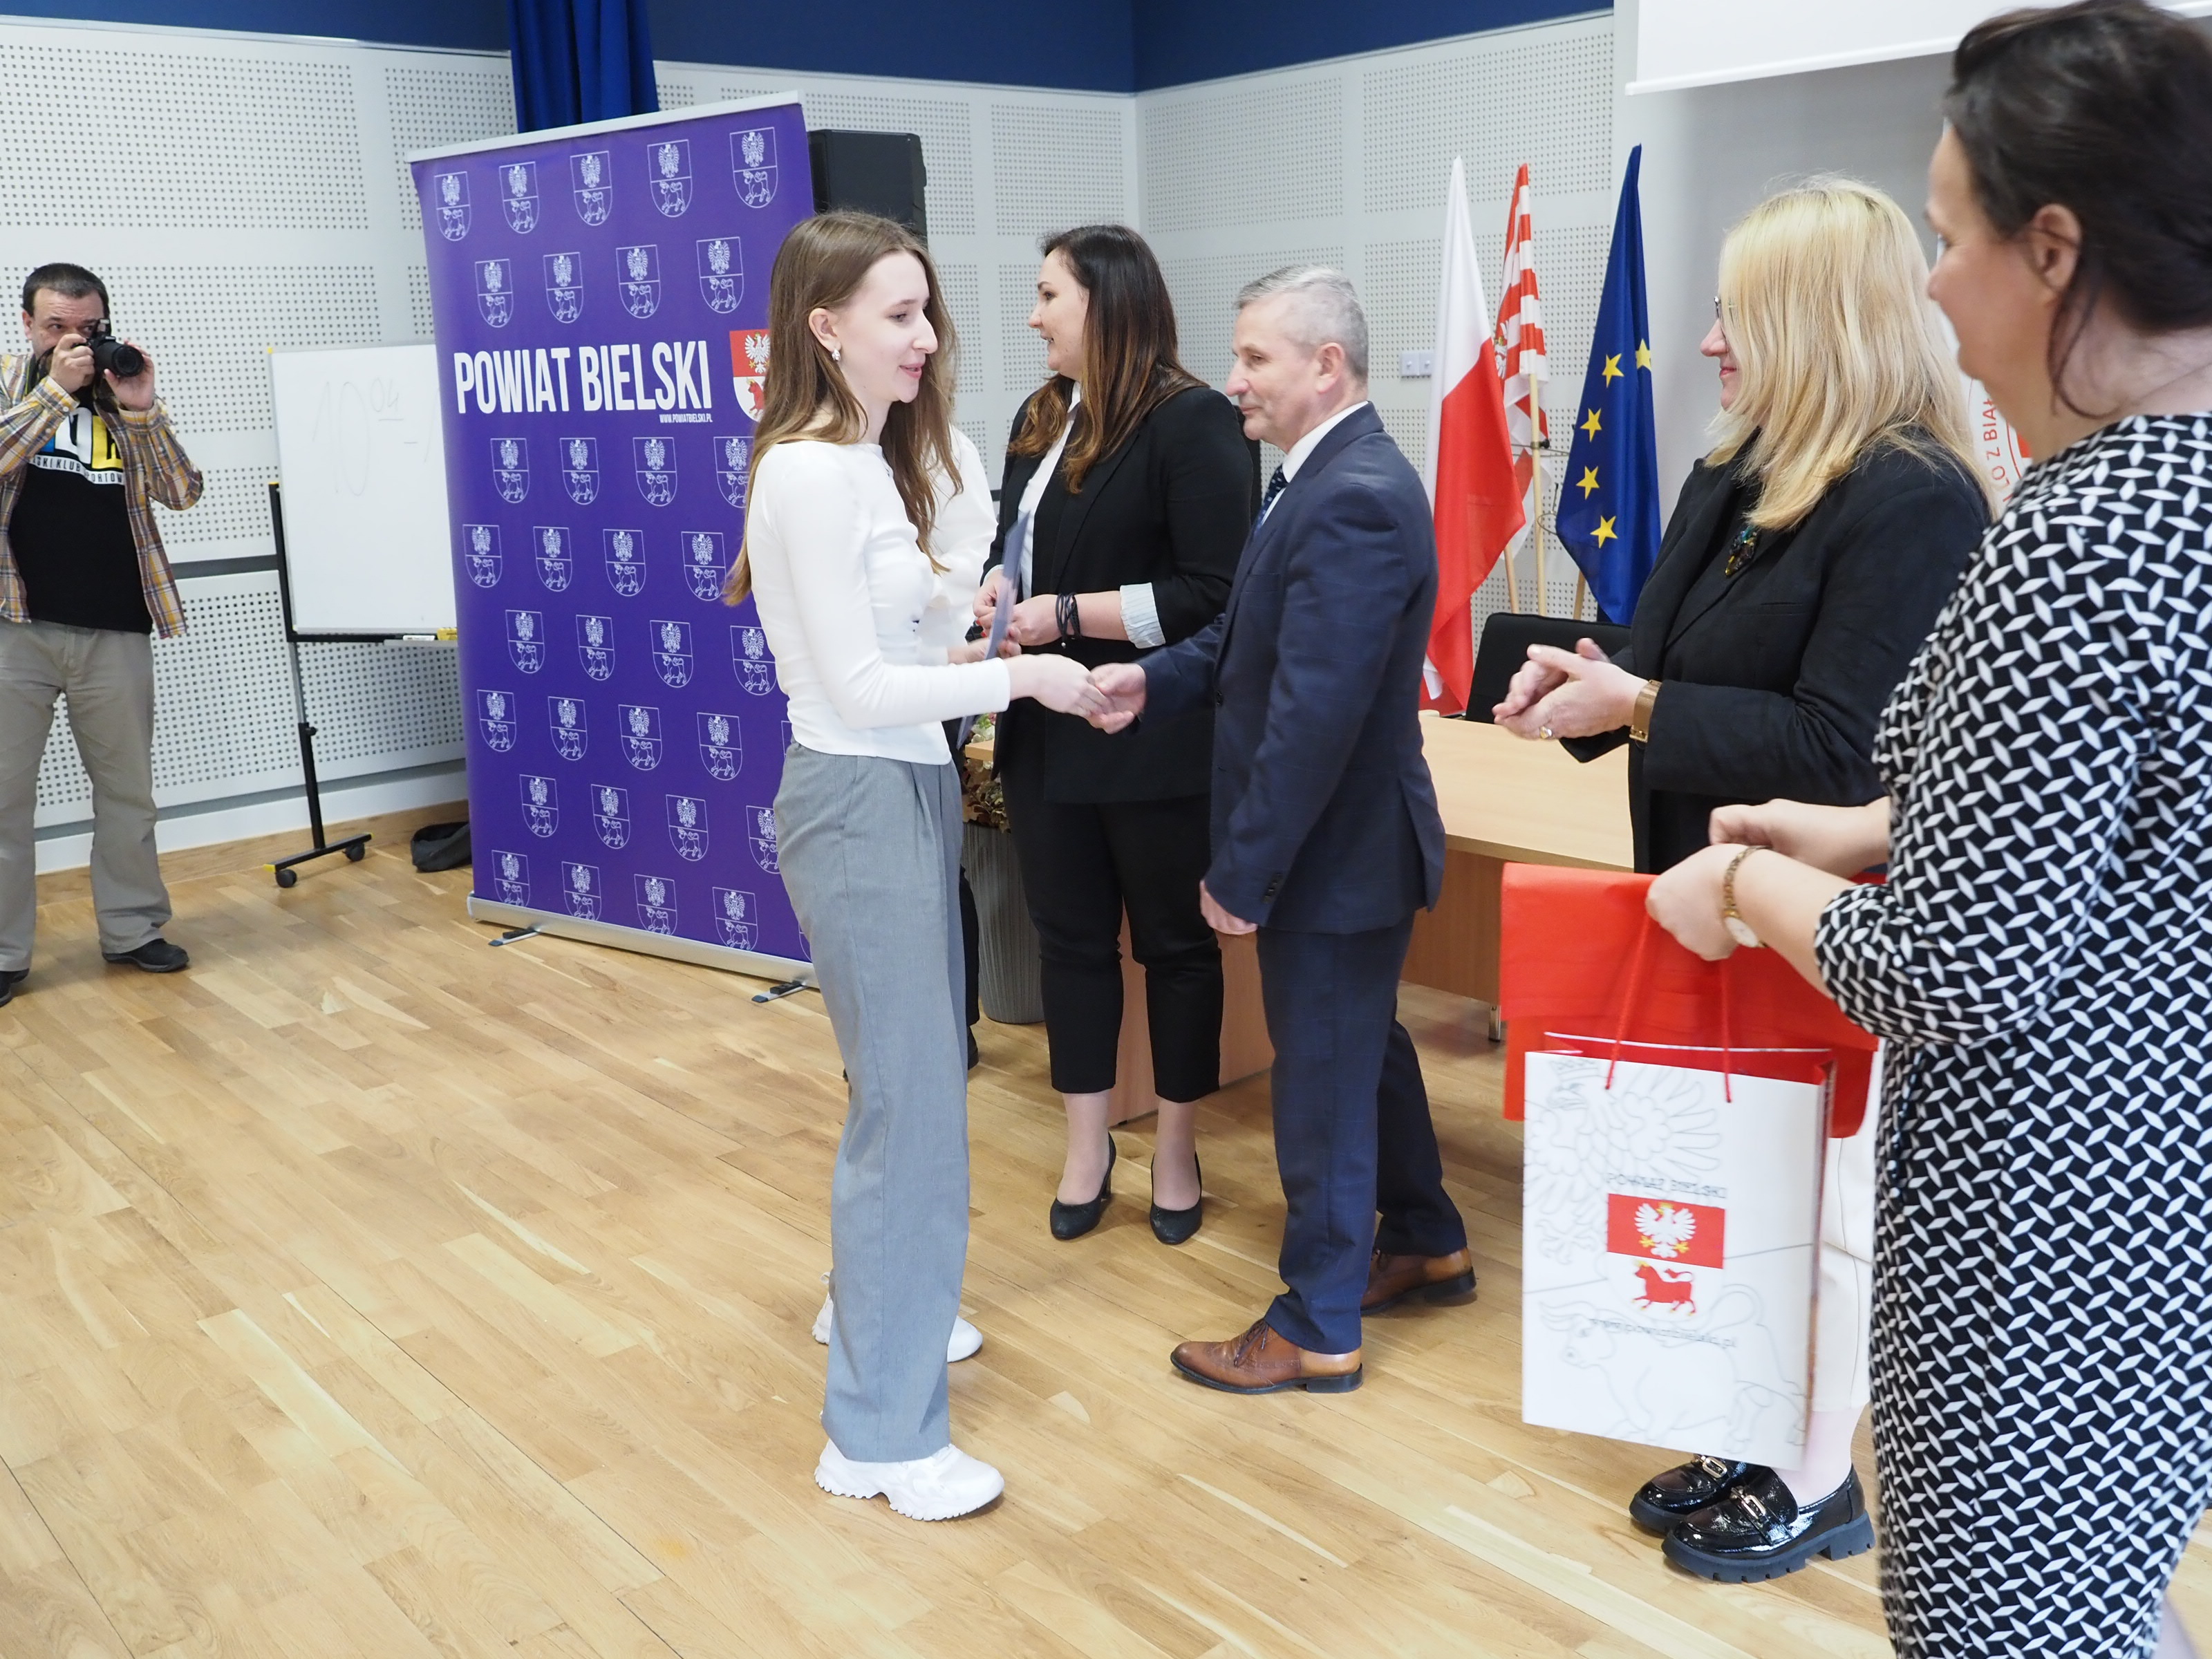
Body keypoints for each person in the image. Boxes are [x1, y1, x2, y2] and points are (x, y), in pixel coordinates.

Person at [1644, 5, 2212, 1652]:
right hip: (2155, 1189)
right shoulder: (2174, 493)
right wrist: (1868, 825)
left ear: (2055, 251)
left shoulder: (2084, 534)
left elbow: (1953, 967)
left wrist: (1741, 878)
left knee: (2006, 1626)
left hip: (2042, 1231)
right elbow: (2126, 809)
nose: (1935, 288)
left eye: (1950, 238)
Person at [1493, 180, 1989, 1580]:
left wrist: (1643, 707)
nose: (1708, 341)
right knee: (1730, 1193)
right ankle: (1744, 1420)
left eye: (1735, 314)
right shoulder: (1738, 470)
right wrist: (1581, 684)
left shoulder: (1914, 497)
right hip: (1695, 894)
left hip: (1818, 920)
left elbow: (1844, 752)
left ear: (1815, 319)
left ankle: (1820, 1478)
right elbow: (1654, 664)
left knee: (1822, 1217)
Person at [731, 211, 1105, 1521]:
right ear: (825, 327)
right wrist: (1028, 680)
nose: (928, 337)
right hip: (860, 797)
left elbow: (902, 656)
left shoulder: (861, 463)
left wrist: (984, 641)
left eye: (927, 311)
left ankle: (885, 1310)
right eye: (899, 315)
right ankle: (881, 1440)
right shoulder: (810, 473)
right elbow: (858, 689)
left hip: (902, 789)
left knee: (909, 1095)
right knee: (910, 1118)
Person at [1088, 267, 1472, 1394]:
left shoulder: (1355, 495)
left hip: (1334, 857)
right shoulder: (1318, 477)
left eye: (1255, 358)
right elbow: (1246, 640)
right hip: (1340, 851)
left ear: (1327, 367)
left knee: (1322, 1087)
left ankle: (1316, 1325)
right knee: (1361, 1053)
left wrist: (1243, 873)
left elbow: (1315, 716)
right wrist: (1152, 680)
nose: (1234, 380)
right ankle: (1426, 1236)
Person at [977, 225, 1254, 1245]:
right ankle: (1086, 1146)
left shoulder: (1196, 422)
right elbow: (1017, 543)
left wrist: (1063, 615)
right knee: (1070, 947)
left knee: (1176, 949)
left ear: (1105, 302)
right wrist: (1001, 586)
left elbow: (1210, 596)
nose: (1033, 316)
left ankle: (1176, 1148)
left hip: (1151, 732)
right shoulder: (1040, 416)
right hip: (1045, 732)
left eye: (1048, 295)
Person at [0, 263, 200, 1006]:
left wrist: (141, 410)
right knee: (3, 802)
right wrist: (55, 393)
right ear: (28, 324)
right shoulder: (9, 384)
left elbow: (181, 492)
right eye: (56, 327)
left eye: (86, 328)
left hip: (115, 627)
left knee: (128, 796)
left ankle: (133, 929)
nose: (73, 341)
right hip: (14, 627)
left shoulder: (121, 393)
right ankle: (4, 952)